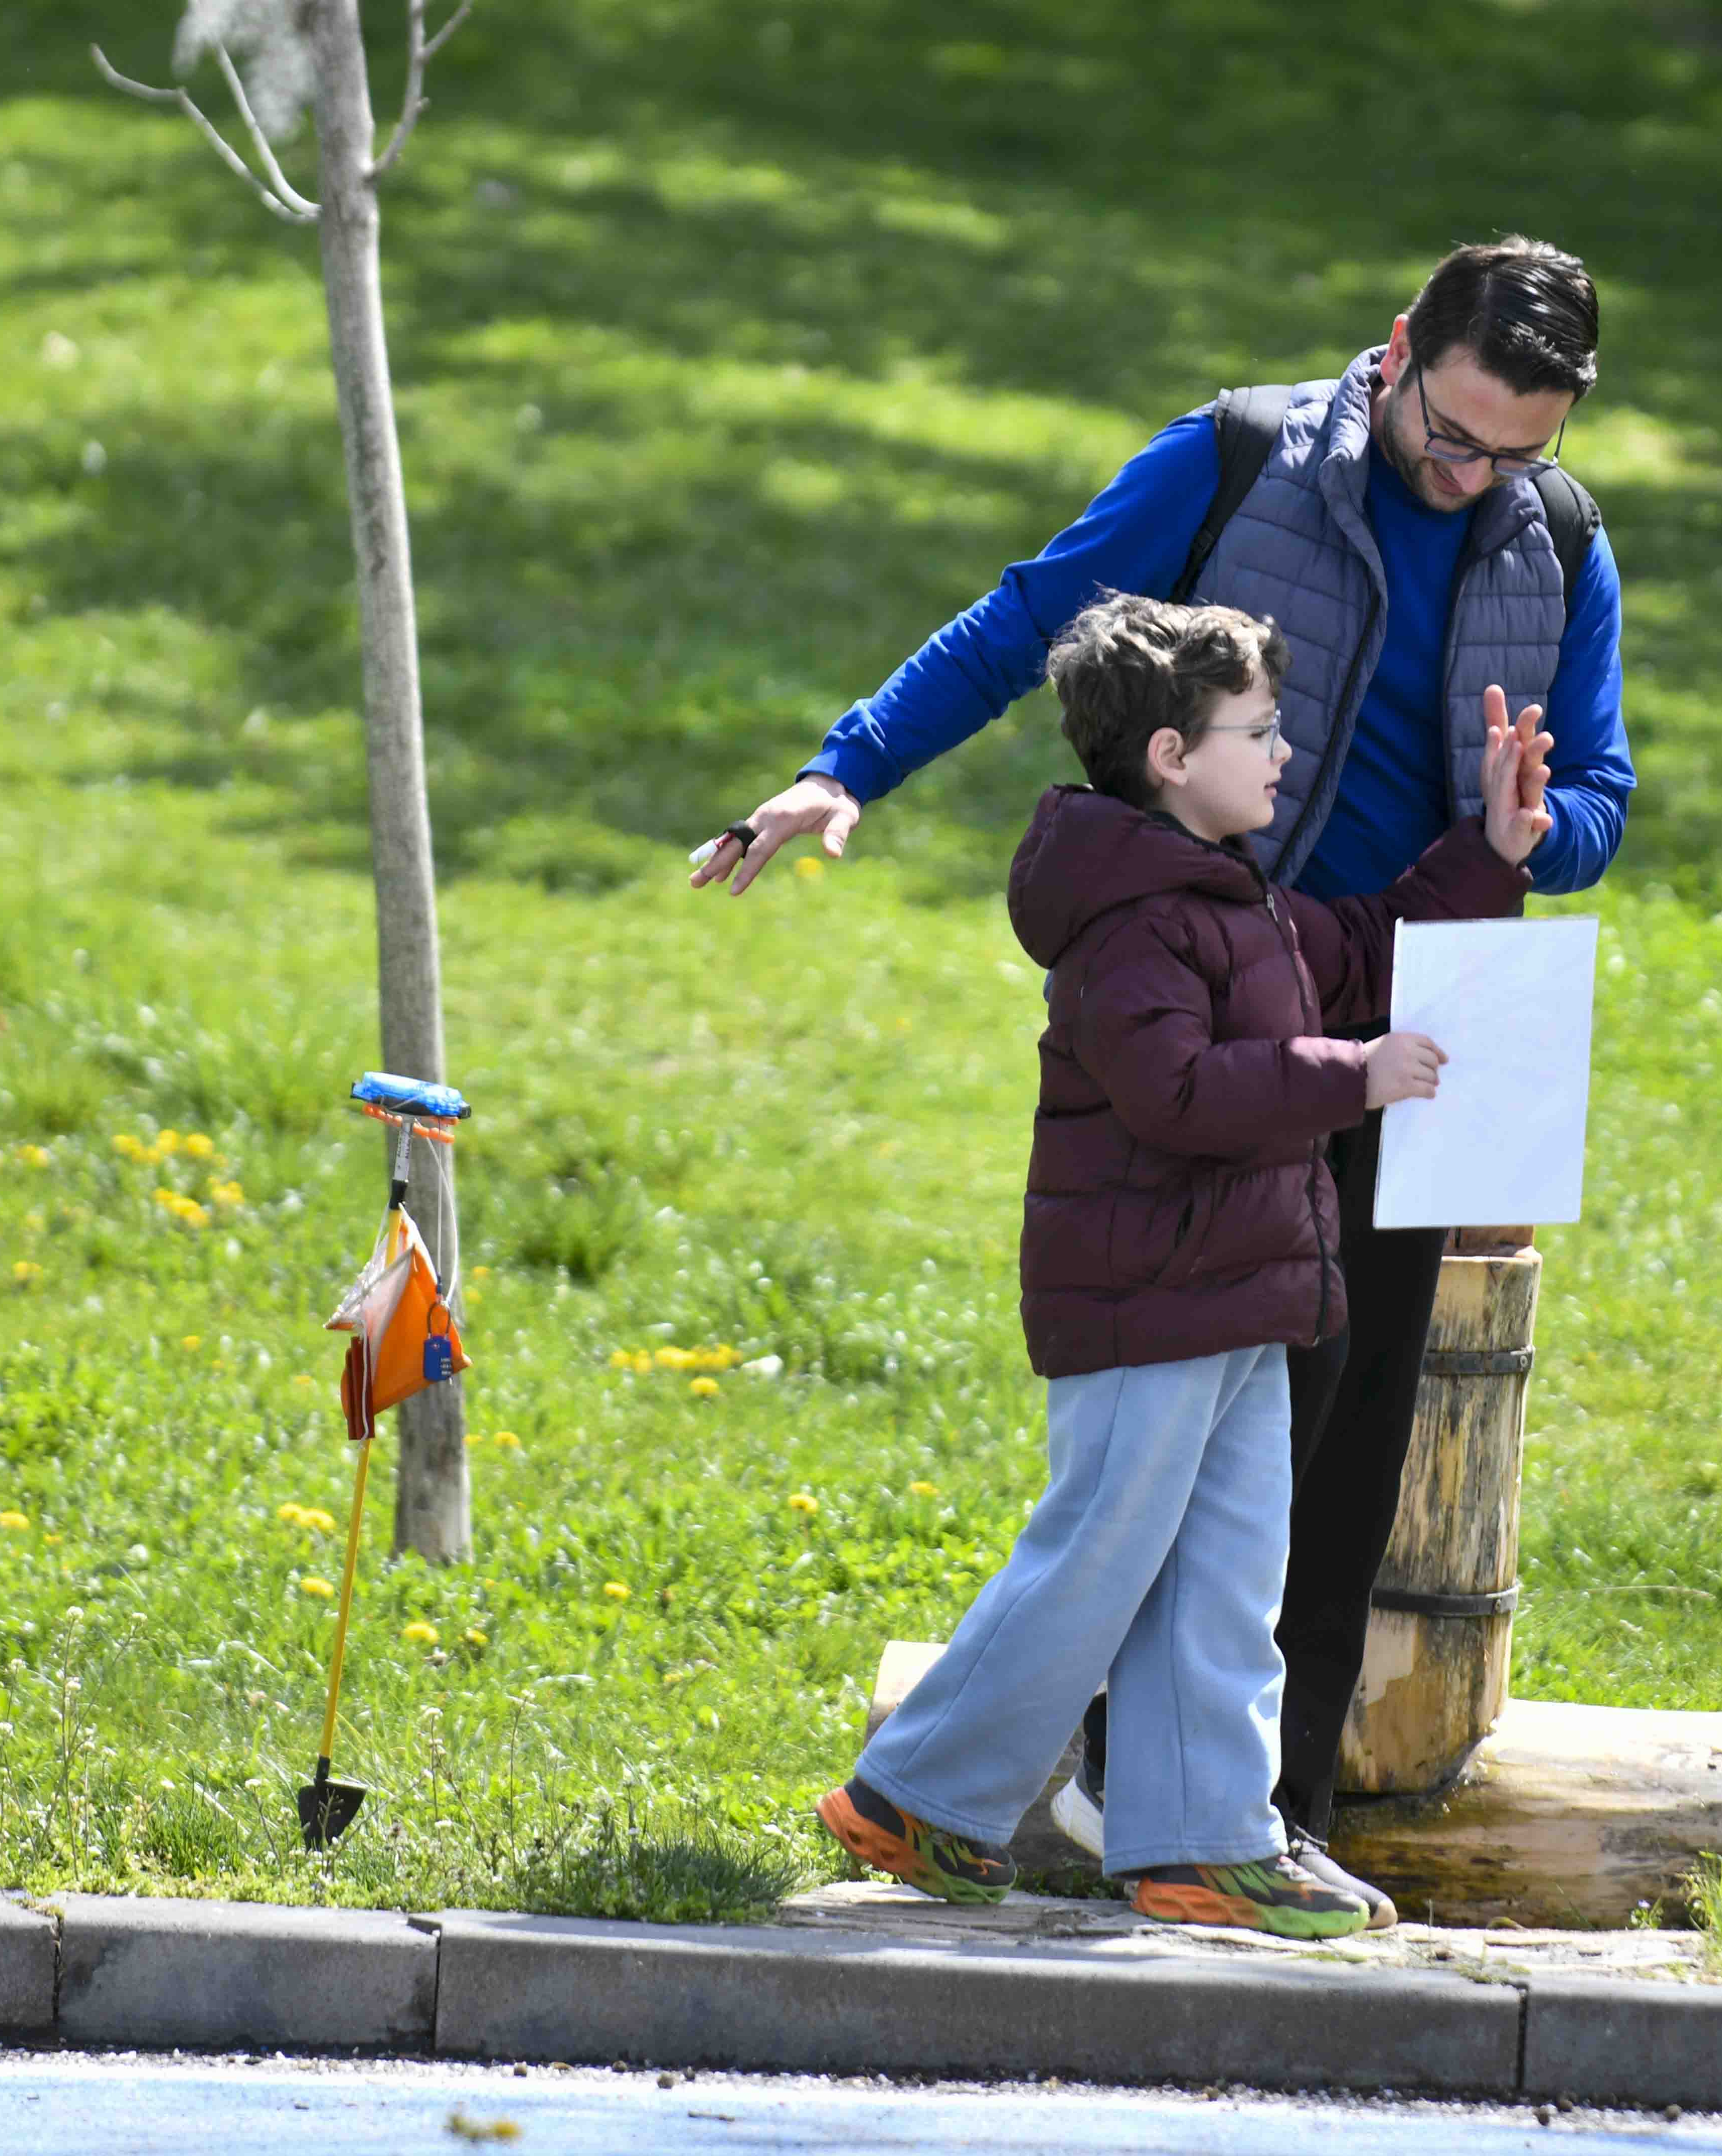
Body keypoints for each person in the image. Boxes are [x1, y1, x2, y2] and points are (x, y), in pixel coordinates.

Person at [711, 237, 1631, 1908]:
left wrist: (1531, 827)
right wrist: (847, 767)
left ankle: (1251, 1821)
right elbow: (1027, 618)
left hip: (1419, 991)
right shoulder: (1232, 461)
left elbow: (1601, 806)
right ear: (1397, 349)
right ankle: (1089, 1796)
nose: (1474, 475)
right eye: (1454, 433)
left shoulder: (1559, 540)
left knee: (1339, 1438)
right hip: (1227, 995)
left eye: (1518, 452)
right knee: (1187, 1442)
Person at [815, 594, 1553, 1937]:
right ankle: (917, 1796)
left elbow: (1364, 949)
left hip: (1242, 1300)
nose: (1283, 753)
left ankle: (1205, 1841)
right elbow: (1177, 1093)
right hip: (1145, 1307)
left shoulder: (1239, 900)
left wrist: (1492, 853)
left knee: (1226, 1578)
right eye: (1257, 731)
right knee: (1099, 1553)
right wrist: (1356, 1075)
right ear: (1169, 755)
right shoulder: (1130, 923)